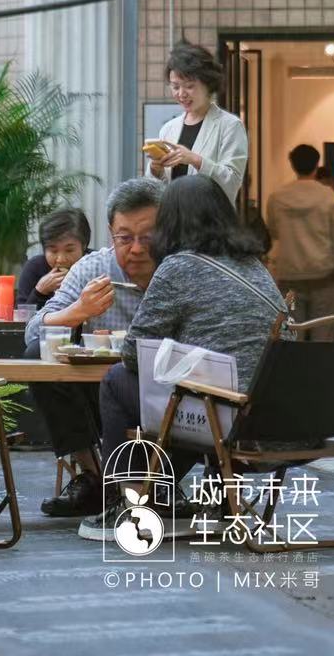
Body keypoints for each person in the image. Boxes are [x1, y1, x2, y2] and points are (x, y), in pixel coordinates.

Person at [81, 174, 288, 541]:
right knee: (198, 388)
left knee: (117, 382)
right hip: (277, 418)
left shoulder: (177, 267)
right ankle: (206, 500)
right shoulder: (255, 267)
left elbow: (133, 355)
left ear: (170, 222)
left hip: (224, 420)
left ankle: (124, 504)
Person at [30, 180, 162, 518]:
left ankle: (156, 478)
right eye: (124, 237)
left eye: (147, 237)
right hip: (94, 390)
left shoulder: (178, 270)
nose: (135, 249)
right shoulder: (92, 269)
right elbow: (33, 330)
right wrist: (79, 311)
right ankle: (93, 475)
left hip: (158, 385)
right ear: (109, 233)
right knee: (36, 353)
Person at [264, 144, 334, 337]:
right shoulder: (329, 197)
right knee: (323, 336)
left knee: (292, 335)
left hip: (290, 278)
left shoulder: (276, 198)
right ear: (316, 166)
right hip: (323, 278)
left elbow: (274, 232)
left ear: (292, 165)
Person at [147, 41, 248, 206]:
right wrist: (155, 171)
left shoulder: (230, 125)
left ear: (208, 85)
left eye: (189, 86)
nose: (181, 94)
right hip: (174, 222)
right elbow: (156, 191)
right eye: (175, 87)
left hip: (211, 224)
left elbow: (231, 183)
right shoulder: (169, 129)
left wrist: (195, 159)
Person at [17, 209, 90, 308]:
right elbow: (21, 318)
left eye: (69, 250)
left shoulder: (96, 264)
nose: (60, 259)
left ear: (84, 246)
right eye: (53, 251)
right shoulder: (34, 267)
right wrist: (39, 291)